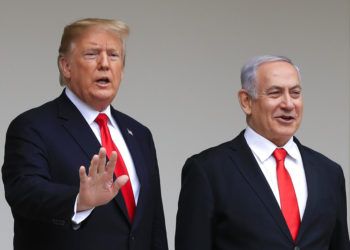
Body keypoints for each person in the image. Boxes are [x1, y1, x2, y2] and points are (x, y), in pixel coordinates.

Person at [2, 18, 168, 250]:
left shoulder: (139, 134)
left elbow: (153, 223)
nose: (104, 64)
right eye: (92, 54)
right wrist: (79, 200)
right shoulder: (32, 126)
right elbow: (24, 193)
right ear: (66, 66)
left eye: (113, 55)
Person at [175, 55, 350, 250]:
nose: (288, 104)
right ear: (246, 101)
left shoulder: (329, 173)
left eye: (295, 93)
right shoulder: (208, 171)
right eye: (275, 93)